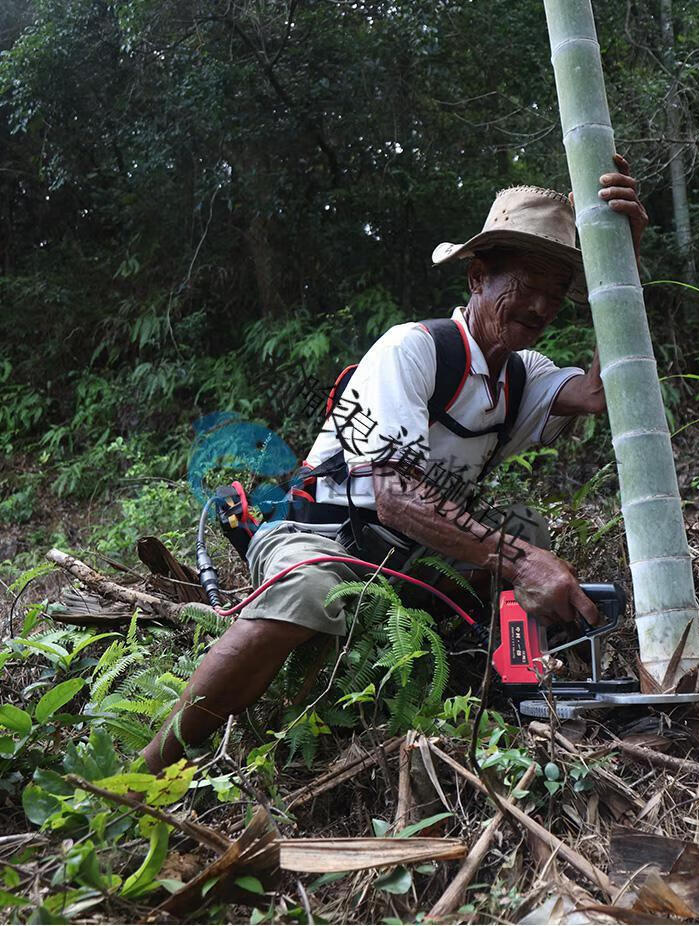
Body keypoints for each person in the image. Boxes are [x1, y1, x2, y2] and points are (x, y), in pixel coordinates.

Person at [141, 154, 647, 774]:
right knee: (309, 590)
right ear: (478, 278)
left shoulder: (522, 376)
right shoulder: (414, 350)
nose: (541, 307)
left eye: (556, 294)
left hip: (412, 556)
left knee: (526, 527)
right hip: (323, 535)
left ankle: (509, 687)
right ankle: (150, 769)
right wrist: (519, 561)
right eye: (526, 286)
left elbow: (600, 391)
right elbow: (397, 497)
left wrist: (624, 261)